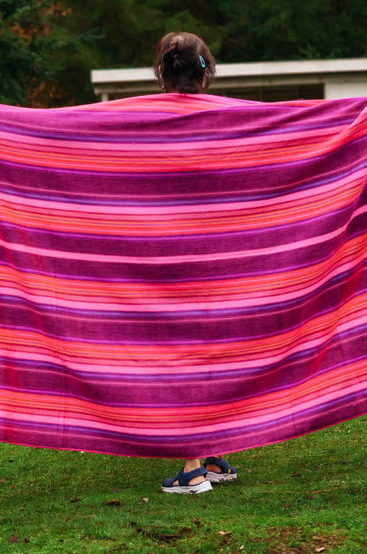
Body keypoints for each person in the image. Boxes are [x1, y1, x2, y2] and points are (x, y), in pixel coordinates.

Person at [150, 32, 240, 496]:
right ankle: (215, 452)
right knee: (215, 353)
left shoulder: (140, 121)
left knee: (180, 360)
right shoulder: (230, 119)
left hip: (167, 266)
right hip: (222, 264)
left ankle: (192, 468)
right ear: (207, 69)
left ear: (163, 70)